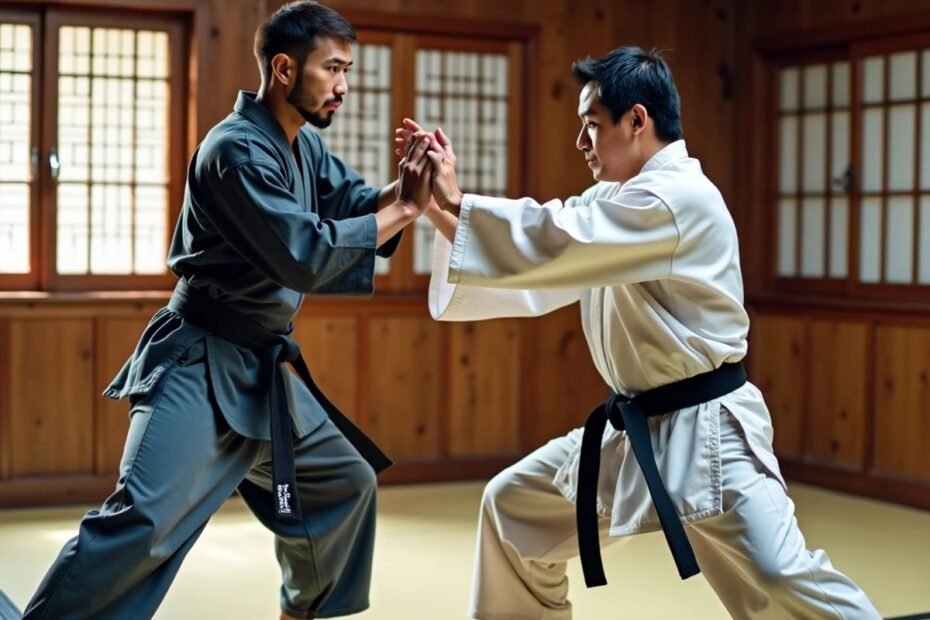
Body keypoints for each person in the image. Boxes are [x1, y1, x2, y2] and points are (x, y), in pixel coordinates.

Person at [398, 46, 880, 619]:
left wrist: (457, 200)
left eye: (591, 126)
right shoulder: (617, 201)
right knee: (513, 511)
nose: (581, 143)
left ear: (637, 120)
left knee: (778, 579)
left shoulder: (678, 198)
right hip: (634, 432)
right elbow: (545, 265)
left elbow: (558, 239)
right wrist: (436, 206)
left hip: (708, 436)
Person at [22, 2, 435, 619]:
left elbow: (354, 202)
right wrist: (405, 209)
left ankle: (304, 612)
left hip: (260, 369)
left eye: (349, 70)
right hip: (199, 360)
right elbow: (305, 253)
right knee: (142, 523)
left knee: (343, 484)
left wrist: (406, 186)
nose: (344, 86)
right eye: (334, 69)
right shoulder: (234, 151)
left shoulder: (301, 148)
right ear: (285, 69)